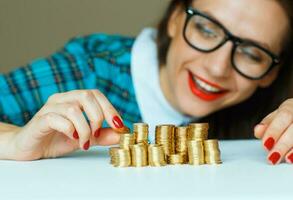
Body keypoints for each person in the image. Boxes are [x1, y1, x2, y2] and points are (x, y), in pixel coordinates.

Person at [0, 0, 292, 165]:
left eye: (252, 54)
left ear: (271, 72)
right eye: (206, 30)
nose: (217, 68)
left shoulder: (273, 110)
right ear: (175, 19)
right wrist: (13, 141)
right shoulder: (89, 69)